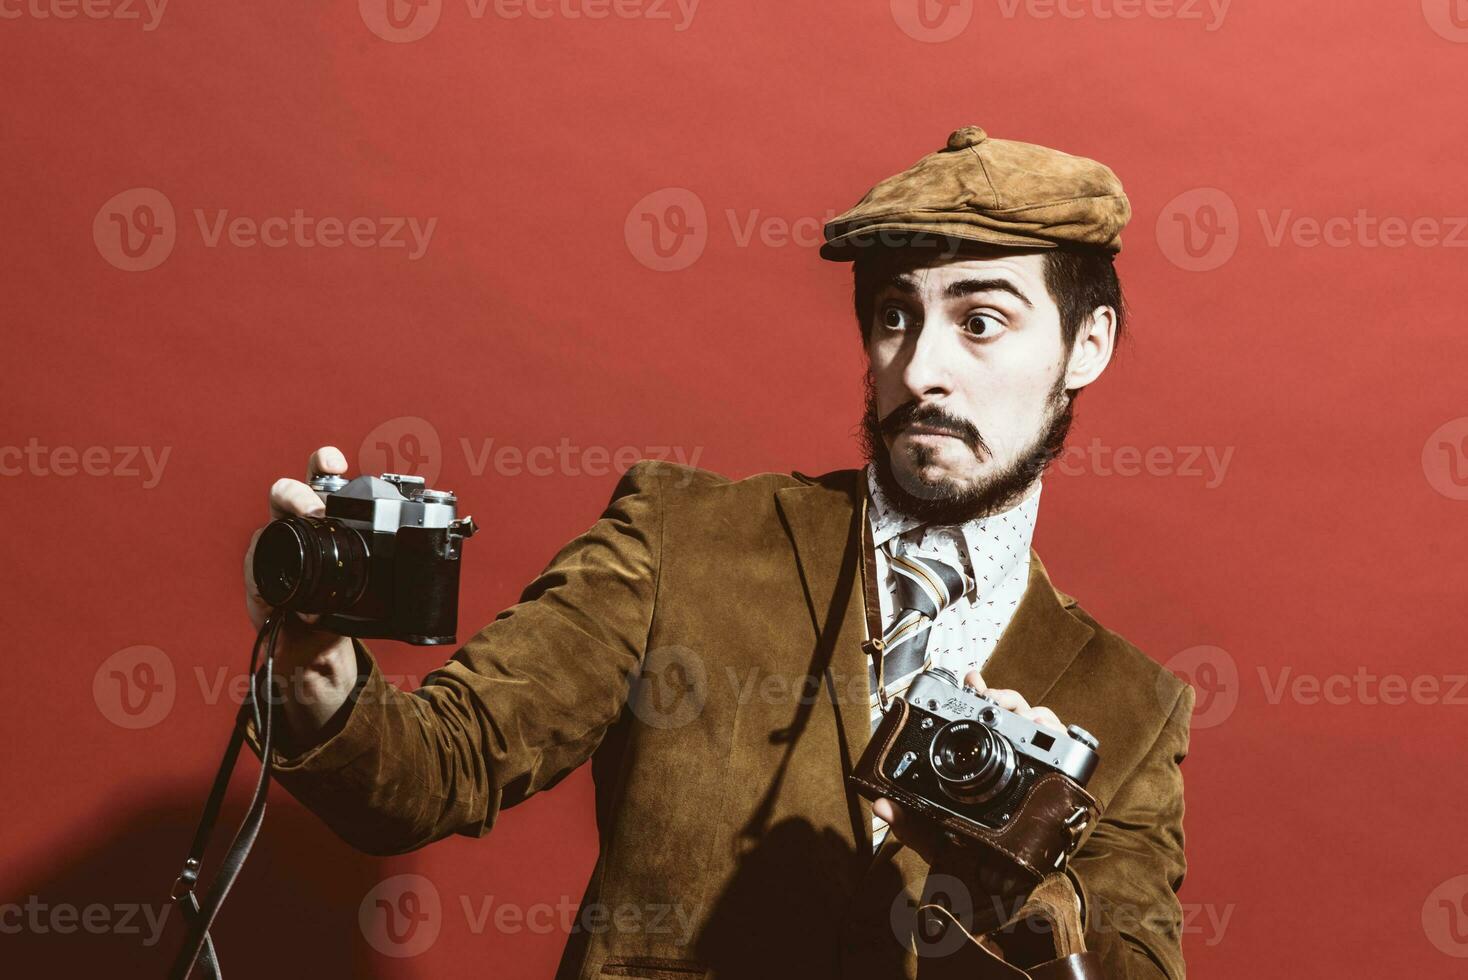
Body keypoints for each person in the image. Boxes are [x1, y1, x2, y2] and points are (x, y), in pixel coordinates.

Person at [244, 125, 1193, 979]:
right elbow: (432, 770)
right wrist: (317, 671)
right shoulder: (680, 535)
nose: (920, 369)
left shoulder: (1135, 708)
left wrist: (1023, 884)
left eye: (979, 321)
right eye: (896, 315)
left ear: (1088, 344)